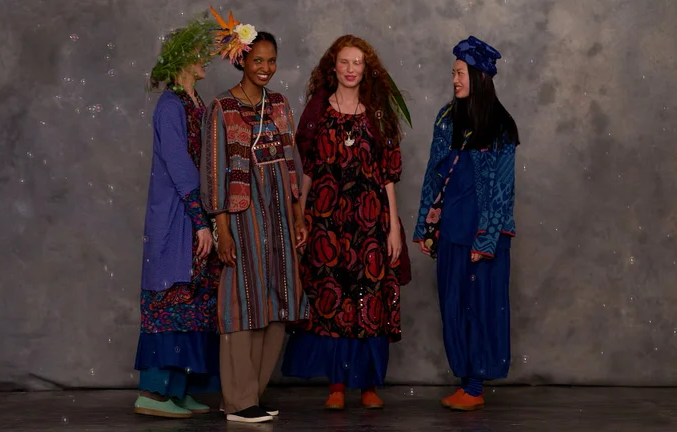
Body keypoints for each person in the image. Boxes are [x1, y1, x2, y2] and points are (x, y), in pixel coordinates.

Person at [280, 34, 412, 410]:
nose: (351, 69)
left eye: (357, 63)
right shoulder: (318, 113)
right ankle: (336, 385)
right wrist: (300, 217)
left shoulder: (378, 113)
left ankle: (368, 385)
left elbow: (388, 174)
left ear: (366, 69)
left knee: (370, 302)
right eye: (344, 62)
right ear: (333, 67)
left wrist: (394, 227)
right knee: (332, 301)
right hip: (327, 223)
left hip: (371, 224)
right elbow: (307, 170)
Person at [200, 8, 309, 424]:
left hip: (279, 218)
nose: (265, 68)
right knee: (241, 302)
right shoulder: (221, 107)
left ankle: (250, 397)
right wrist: (222, 229)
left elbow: (291, 164)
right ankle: (238, 400)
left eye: (271, 60)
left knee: (279, 300)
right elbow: (214, 172)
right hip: (243, 219)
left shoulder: (279, 104)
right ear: (242, 60)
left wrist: (298, 215)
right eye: (258, 60)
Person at [413, 35, 519, 411]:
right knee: (454, 306)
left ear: (479, 77)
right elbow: (433, 175)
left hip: (482, 234)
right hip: (451, 230)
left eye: (460, 73)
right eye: (453, 73)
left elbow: (502, 189)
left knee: (481, 307)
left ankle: (474, 388)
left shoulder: (501, 126)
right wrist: (425, 227)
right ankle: (466, 383)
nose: (454, 79)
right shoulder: (447, 118)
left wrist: (485, 239)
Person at [132, 16, 223, 419]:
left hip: (193, 212)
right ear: (181, 59)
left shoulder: (196, 102)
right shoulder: (170, 106)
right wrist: (201, 221)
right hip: (176, 217)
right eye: (198, 54)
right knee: (171, 296)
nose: (205, 59)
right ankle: (153, 392)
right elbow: (181, 166)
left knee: (194, 302)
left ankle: (179, 389)